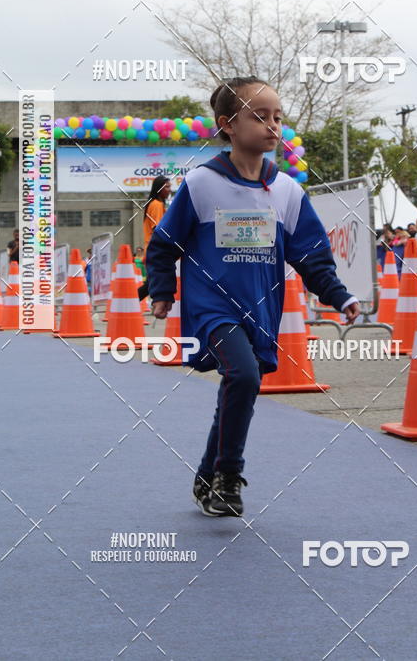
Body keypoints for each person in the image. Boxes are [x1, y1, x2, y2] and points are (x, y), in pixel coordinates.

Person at [145, 76, 360, 518]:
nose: (272, 125)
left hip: (261, 308)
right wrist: (163, 289)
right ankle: (228, 474)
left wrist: (339, 297)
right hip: (212, 306)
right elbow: (165, 242)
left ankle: (208, 475)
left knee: (240, 384)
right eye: (259, 116)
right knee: (243, 377)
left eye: (278, 116)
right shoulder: (202, 183)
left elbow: (313, 257)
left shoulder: (287, 192)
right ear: (228, 124)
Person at [138, 176, 171, 302]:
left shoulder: (154, 204)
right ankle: (126, 303)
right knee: (152, 284)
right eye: (166, 187)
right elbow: (158, 229)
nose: (169, 190)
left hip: (153, 249)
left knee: (153, 283)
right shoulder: (156, 205)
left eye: (170, 186)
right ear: (159, 188)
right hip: (156, 250)